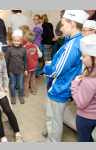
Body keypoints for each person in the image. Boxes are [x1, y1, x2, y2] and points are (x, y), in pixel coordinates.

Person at [43, 10, 89, 142]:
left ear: (72, 24)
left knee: (54, 119)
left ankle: (53, 142)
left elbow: (55, 71)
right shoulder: (78, 39)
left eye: (63, 25)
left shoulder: (72, 45)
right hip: (67, 85)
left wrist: (47, 66)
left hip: (60, 88)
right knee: (55, 117)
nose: (61, 28)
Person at [71, 34, 96, 142]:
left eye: (84, 56)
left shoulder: (90, 81)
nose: (81, 58)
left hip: (85, 117)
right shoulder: (91, 74)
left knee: (83, 140)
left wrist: (75, 84)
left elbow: (80, 103)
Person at [5, 29, 27, 104]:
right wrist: (6, 71)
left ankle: (21, 96)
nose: (16, 42)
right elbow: (6, 61)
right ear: (12, 40)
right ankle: (13, 97)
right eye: (15, 40)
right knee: (12, 85)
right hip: (11, 71)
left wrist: (25, 69)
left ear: (21, 41)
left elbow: (25, 60)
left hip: (20, 70)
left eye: (18, 41)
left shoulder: (24, 50)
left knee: (20, 85)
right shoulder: (9, 50)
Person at [20, 26, 39, 96]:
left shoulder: (24, 48)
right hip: (34, 66)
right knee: (33, 79)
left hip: (27, 67)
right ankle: (34, 91)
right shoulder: (35, 46)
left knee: (26, 80)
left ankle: (26, 93)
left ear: (26, 38)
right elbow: (37, 56)